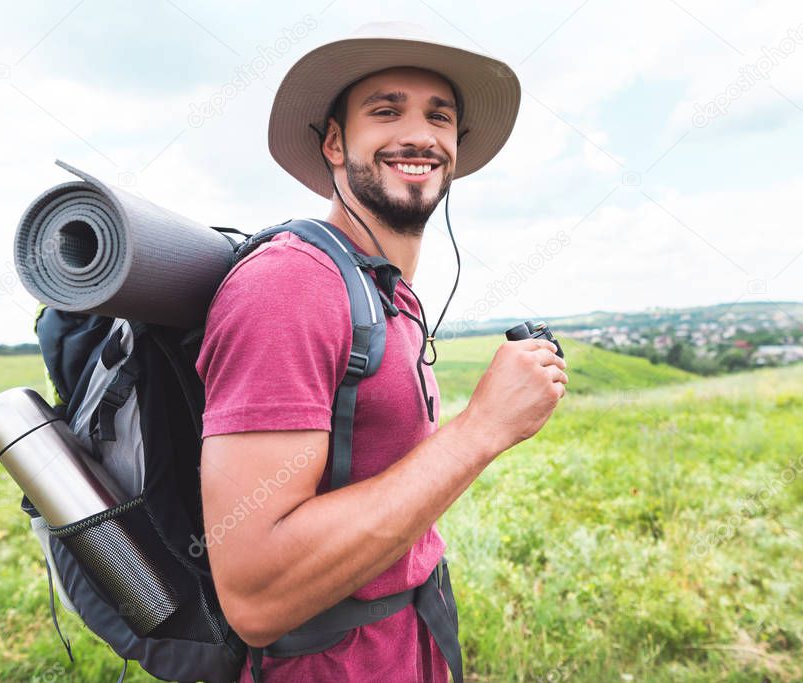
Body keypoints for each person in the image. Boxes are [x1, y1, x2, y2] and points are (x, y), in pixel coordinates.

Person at [195, 22, 569, 683]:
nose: (419, 135)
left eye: (439, 116)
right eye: (385, 110)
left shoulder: (389, 294)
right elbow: (255, 595)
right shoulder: (290, 286)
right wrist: (481, 429)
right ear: (334, 142)